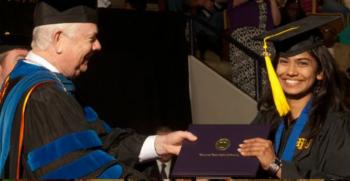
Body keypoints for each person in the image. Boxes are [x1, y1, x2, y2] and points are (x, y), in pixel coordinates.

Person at [0, 0, 197, 179]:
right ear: (58, 39)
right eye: (91, 38)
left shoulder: (25, 81)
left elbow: (99, 142)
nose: (98, 46)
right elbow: (82, 172)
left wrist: (159, 144)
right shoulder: (44, 96)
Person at [237, 15, 350, 178]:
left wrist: (276, 166)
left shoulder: (336, 125)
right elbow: (240, 162)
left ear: (320, 72)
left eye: (302, 63)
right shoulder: (267, 117)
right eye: (284, 62)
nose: (291, 71)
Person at [228, 0, 281, 98]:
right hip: (244, 41)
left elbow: (276, 21)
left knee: (266, 85)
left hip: (265, 43)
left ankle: (263, 106)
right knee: (248, 84)